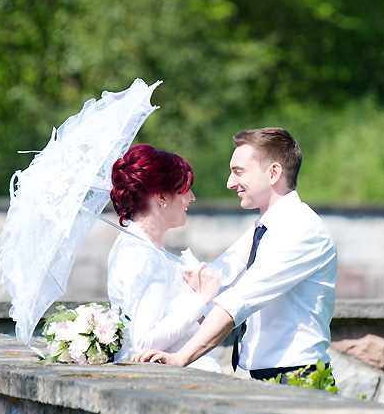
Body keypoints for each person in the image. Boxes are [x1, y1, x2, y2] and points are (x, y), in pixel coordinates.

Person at [131, 127, 337, 381]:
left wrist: (180, 358)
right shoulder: (265, 227)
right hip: (271, 375)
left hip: (297, 376)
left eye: (238, 172)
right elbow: (218, 277)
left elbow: (234, 303)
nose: (230, 183)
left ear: (274, 173)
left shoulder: (300, 230)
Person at [106, 144, 225, 372]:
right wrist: (201, 298)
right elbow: (144, 341)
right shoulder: (141, 255)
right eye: (185, 189)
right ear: (161, 196)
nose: (192, 197)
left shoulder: (144, 247)